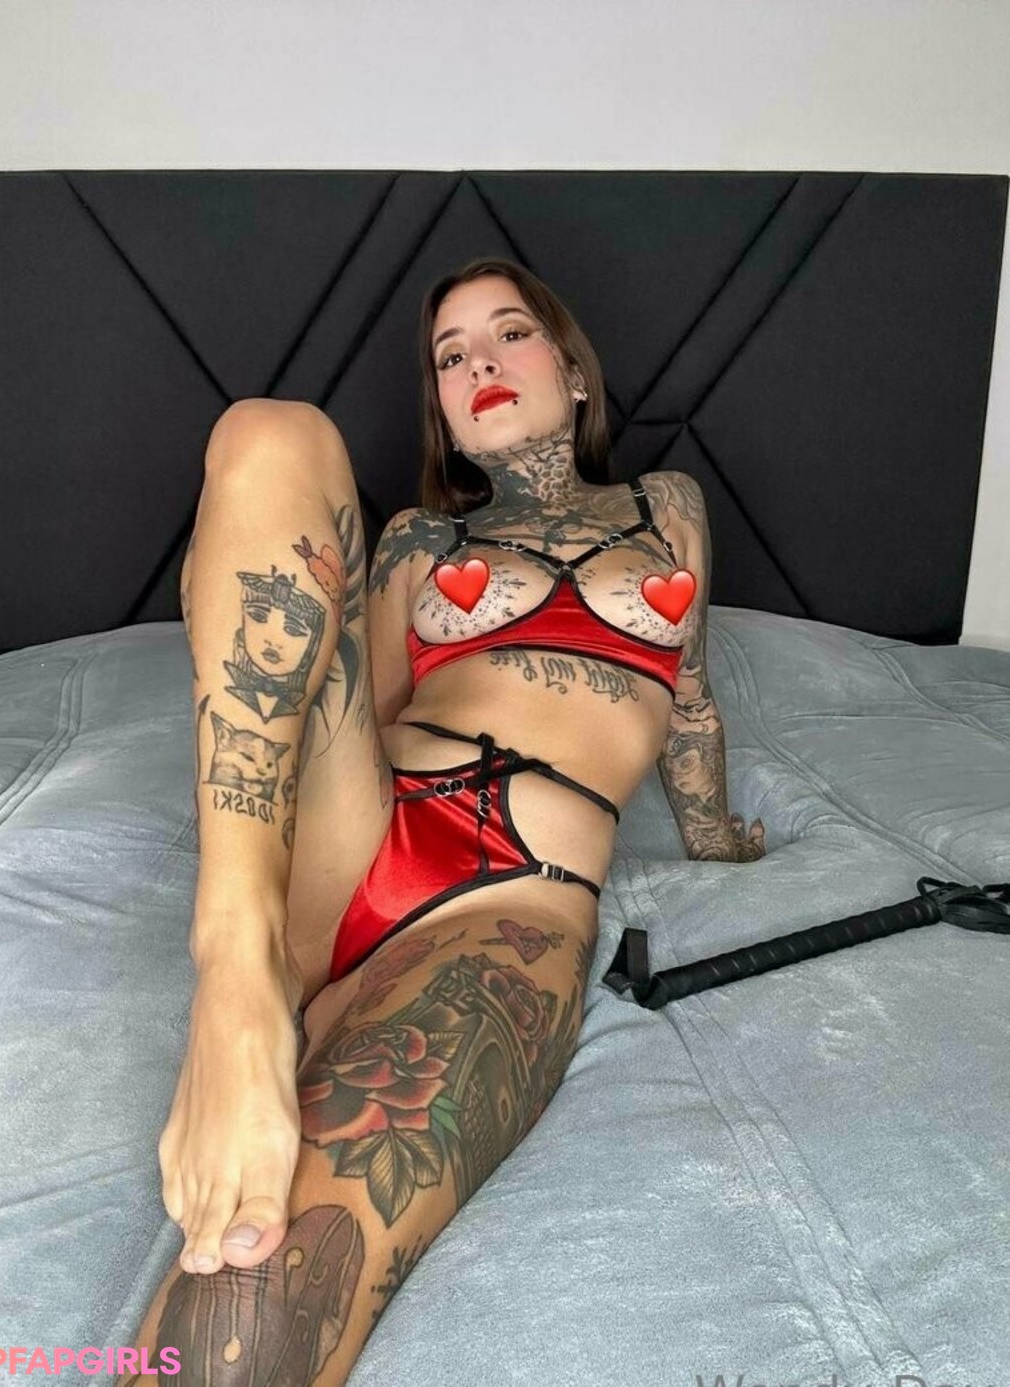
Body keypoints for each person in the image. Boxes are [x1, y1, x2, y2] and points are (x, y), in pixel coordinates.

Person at [124, 256, 766, 1386]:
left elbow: (691, 700)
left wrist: (718, 838)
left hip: (513, 894)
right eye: (450, 355)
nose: (479, 363)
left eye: (509, 334)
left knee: (243, 1313)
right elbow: (348, 712)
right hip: (364, 831)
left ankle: (285, 988)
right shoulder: (422, 539)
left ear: (573, 372)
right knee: (271, 433)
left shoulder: (667, 509)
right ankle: (236, 965)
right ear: (445, 411)